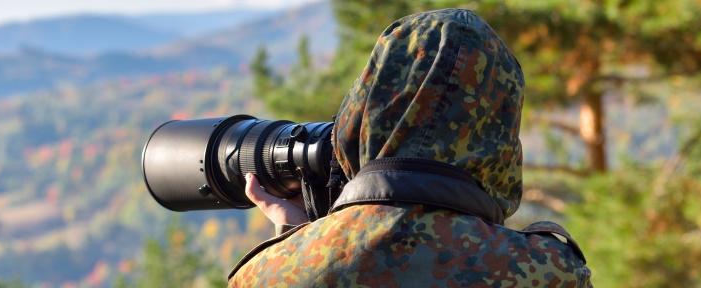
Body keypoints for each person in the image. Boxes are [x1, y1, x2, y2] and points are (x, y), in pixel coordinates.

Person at [229, 8, 592, 287]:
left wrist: (296, 242)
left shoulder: (267, 275)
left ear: (364, 106)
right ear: (500, 133)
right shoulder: (550, 272)